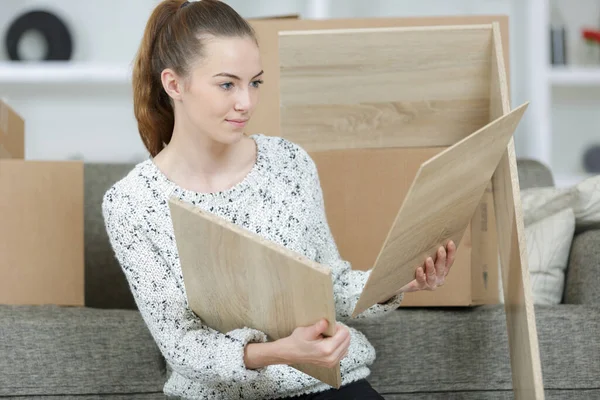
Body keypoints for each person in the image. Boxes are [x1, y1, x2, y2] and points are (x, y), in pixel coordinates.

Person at [102, 1, 456, 399]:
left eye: (254, 83)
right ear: (174, 84)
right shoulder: (132, 203)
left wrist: (397, 280)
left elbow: (332, 287)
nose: (246, 103)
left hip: (324, 385)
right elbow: (181, 345)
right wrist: (277, 352)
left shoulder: (288, 162)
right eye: (226, 84)